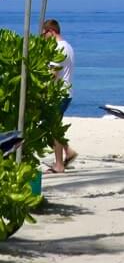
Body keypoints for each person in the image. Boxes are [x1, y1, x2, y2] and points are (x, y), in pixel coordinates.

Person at [41, 18, 76, 174]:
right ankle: (68, 151)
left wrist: (41, 88)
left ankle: (59, 165)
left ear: (51, 31)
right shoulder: (68, 46)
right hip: (66, 92)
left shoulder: (58, 48)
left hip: (58, 93)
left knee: (53, 129)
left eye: (44, 34)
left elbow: (53, 74)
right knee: (51, 127)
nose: (43, 38)